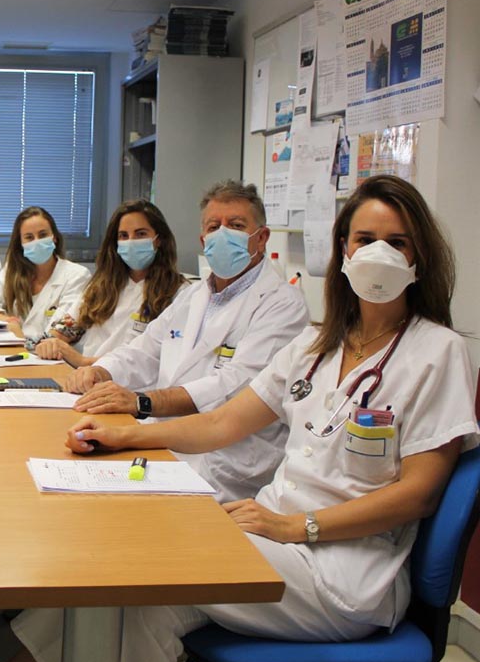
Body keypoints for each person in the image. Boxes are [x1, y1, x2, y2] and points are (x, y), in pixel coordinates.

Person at [0, 174, 479, 662]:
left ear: (420, 257)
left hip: (344, 569)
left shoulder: (437, 351)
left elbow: (419, 494)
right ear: (343, 250)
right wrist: (123, 434)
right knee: (130, 602)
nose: (378, 255)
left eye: (396, 243)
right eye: (365, 240)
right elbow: (224, 421)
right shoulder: (315, 346)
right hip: (270, 531)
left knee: (130, 565)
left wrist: (297, 526)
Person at [65, 180, 308, 502]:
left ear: (261, 238)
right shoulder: (194, 295)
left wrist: (142, 401)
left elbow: (235, 387)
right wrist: (102, 371)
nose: (223, 234)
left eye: (236, 226)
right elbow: (146, 349)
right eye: (214, 226)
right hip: (162, 439)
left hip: (226, 460)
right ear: (203, 239)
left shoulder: (283, 304)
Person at [34, 200, 189, 368]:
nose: (131, 242)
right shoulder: (101, 286)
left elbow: (156, 361)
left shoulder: (178, 293)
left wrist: (83, 362)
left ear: (158, 239)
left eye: (141, 234)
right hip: (83, 378)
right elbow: (66, 327)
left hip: (130, 387)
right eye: (123, 236)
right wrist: (52, 342)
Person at [0, 206, 91, 346]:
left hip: (56, 359)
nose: (36, 241)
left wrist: (17, 334)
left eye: (43, 235)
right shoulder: (11, 271)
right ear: (21, 243)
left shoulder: (77, 275)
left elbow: (61, 331)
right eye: (29, 237)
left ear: (54, 237)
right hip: (12, 353)